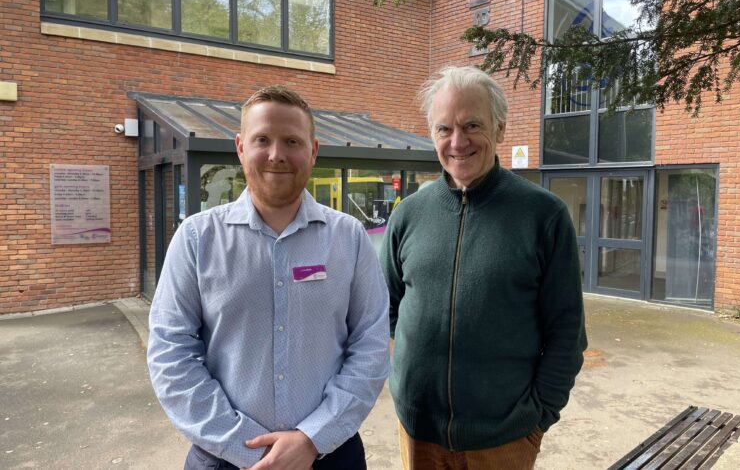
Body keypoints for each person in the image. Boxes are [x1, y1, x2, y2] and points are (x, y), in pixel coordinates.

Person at [147, 86, 390, 470]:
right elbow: (170, 353)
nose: (277, 154)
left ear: (313, 151)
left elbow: (371, 345)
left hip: (330, 456)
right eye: (263, 139)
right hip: (223, 458)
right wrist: (248, 447)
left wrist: (313, 438)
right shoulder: (197, 238)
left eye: (292, 141)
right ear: (241, 147)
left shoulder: (349, 238)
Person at [380, 66, 587, 470]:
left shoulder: (543, 216)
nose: (457, 142)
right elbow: (386, 309)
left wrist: (538, 416)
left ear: (500, 128)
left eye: (472, 124)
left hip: (504, 439)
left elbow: (566, 332)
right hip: (417, 431)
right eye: (444, 129)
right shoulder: (408, 215)